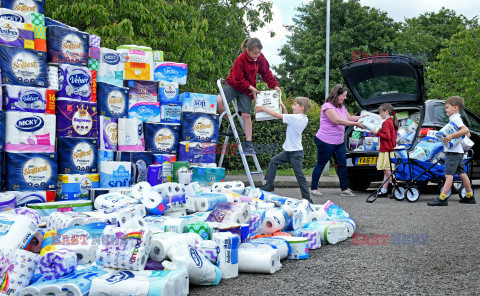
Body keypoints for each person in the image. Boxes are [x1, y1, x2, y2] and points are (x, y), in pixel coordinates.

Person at [217, 37, 282, 154]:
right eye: (254, 53)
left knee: (246, 115)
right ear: (247, 50)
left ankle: (248, 144)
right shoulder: (240, 60)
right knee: (218, 101)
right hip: (234, 85)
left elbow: (266, 73)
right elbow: (237, 79)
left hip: (246, 91)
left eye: (259, 53)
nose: (257, 55)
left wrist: (274, 85)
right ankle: (232, 123)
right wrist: (251, 87)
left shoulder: (260, 58)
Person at [310, 84, 364, 197]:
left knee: (342, 165)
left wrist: (363, 117)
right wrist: (356, 124)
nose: (345, 98)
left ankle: (345, 189)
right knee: (321, 164)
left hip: (339, 142)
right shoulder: (327, 106)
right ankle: (313, 189)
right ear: (336, 95)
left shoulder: (341, 107)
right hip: (326, 141)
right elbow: (337, 121)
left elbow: (349, 118)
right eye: (343, 96)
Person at [256, 97, 313, 203]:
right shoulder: (302, 118)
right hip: (290, 151)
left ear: (302, 107)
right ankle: (269, 185)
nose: (292, 106)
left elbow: (276, 115)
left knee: (299, 176)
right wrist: (283, 108)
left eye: (295, 104)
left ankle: (307, 199)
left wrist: (263, 108)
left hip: (295, 153)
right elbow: (287, 119)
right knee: (274, 161)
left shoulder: (296, 118)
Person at [428, 96, 475, 206]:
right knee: (462, 174)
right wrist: (458, 135)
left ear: (455, 107)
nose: (445, 110)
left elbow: (466, 130)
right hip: (458, 152)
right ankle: (469, 196)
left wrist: (451, 135)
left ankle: (442, 198)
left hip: (453, 152)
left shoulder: (455, 118)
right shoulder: (456, 118)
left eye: (447, 107)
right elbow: (467, 134)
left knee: (449, 175)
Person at [371, 103, 398, 197]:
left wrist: (377, 133)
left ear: (386, 112)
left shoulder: (386, 122)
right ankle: (383, 190)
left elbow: (387, 136)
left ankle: (397, 188)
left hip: (386, 150)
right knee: (386, 170)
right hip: (389, 149)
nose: (379, 115)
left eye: (380, 113)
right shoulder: (391, 121)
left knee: (387, 170)